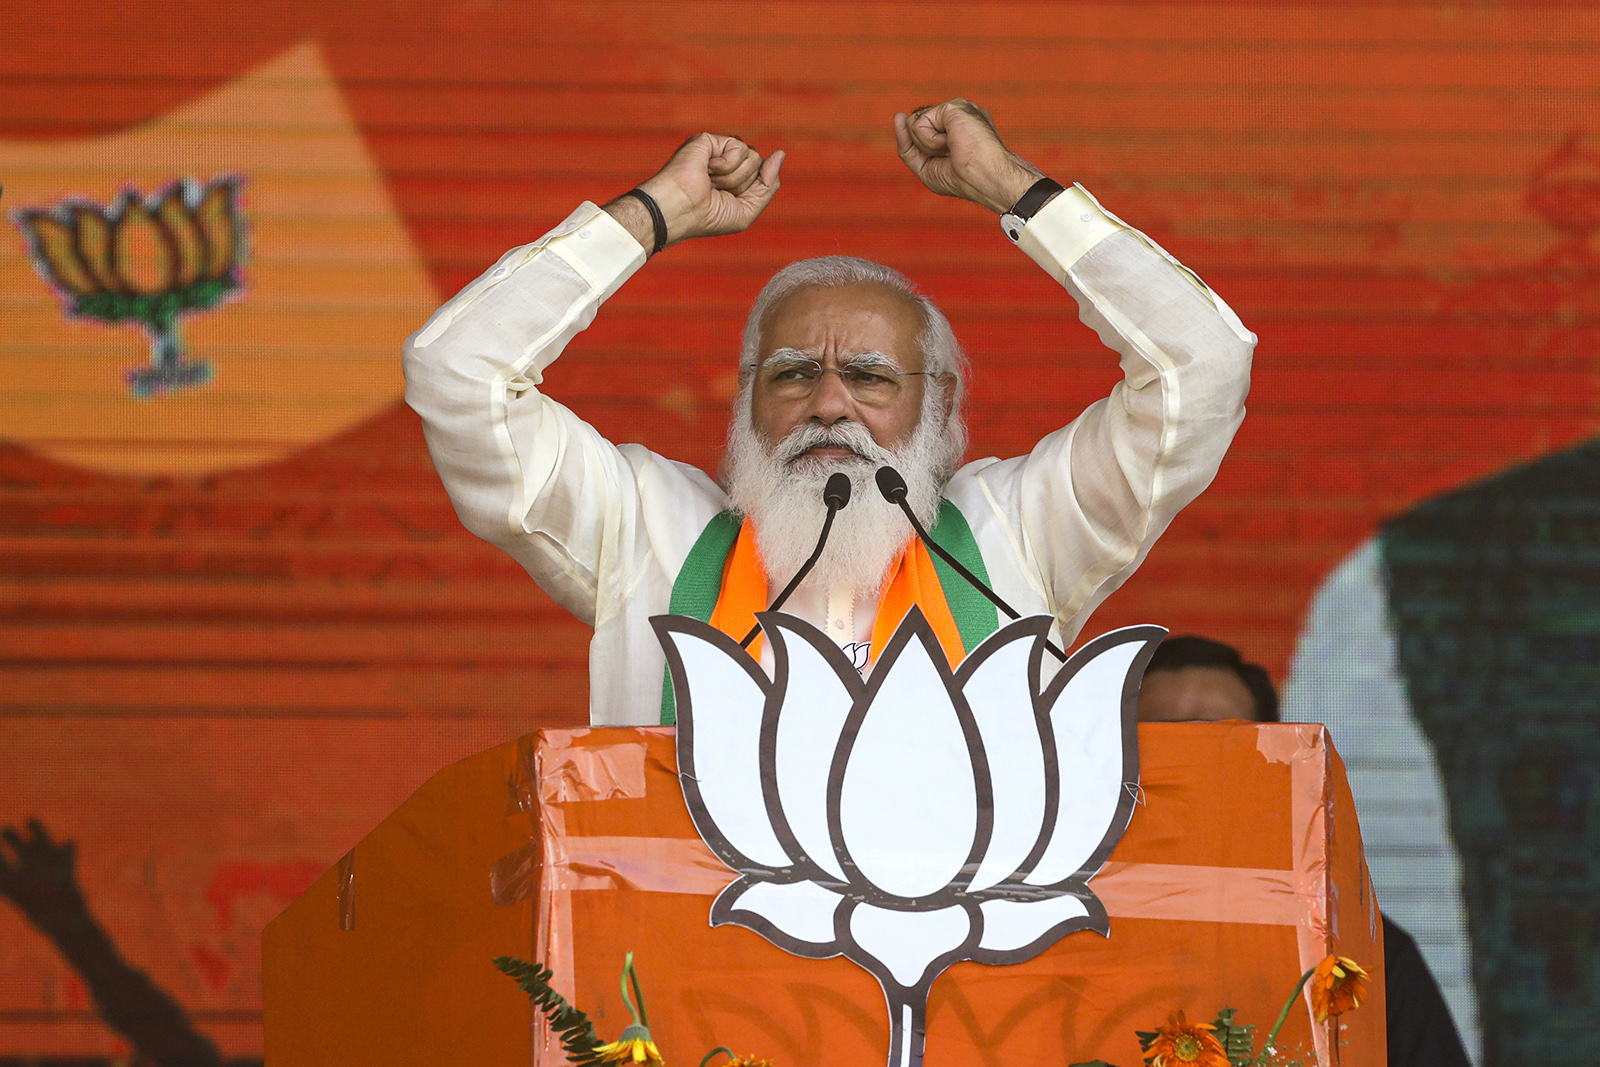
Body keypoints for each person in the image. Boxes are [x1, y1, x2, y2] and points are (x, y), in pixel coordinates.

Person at [403, 99, 1256, 726]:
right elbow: (457, 374)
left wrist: (1013, 191)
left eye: (872, 377)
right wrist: (651, 216)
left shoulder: (1016, 534)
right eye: (792, 375)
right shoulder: (646, 529)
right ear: (746, 402)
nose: (829, 404)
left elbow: (1201, 365)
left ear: (940, 402)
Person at [1138, 635, 1473, 1067]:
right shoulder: (1061, 929)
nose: (1191, 764)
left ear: (1269, 767)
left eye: (1219, 740)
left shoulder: (1353, 952)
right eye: (1163, 744)